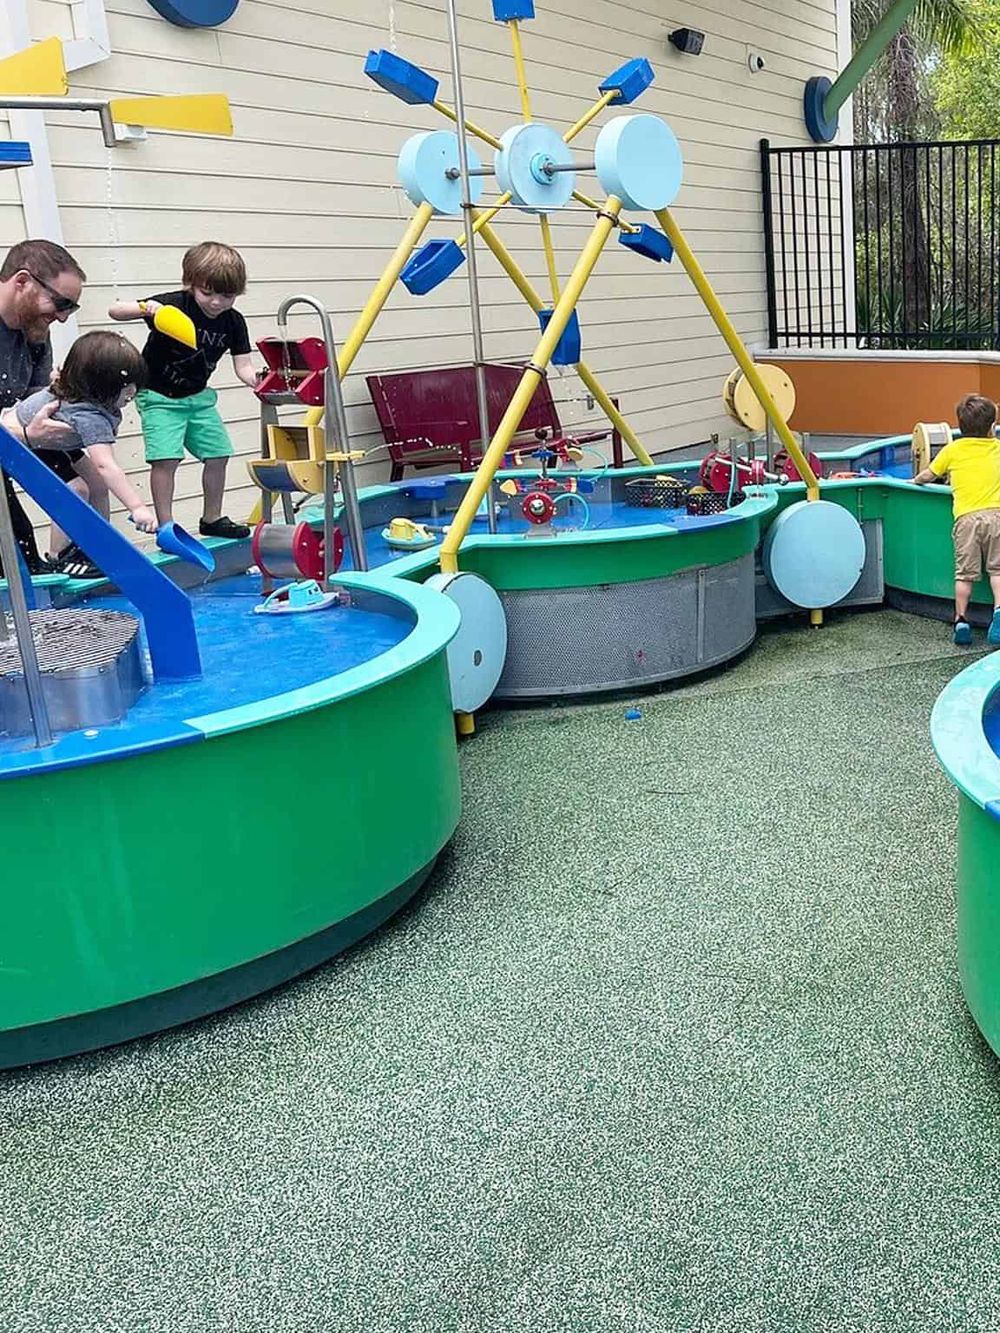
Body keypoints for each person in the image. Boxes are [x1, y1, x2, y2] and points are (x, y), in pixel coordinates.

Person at [108, 241, 257, 539]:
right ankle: (167, 526)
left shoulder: (233, 322)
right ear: (190, 284)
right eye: (208, 292)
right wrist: (146, 308)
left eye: (227, 295)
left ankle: (212, 518)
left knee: (218, 454)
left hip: (198, 397)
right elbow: (115, 310)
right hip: (158, 396)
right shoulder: (175, 306)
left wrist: (258, 381)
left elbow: (243, 366)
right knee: (166, 458)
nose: (216, 302)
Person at [1, 331, 158, 558]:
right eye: (126, 387)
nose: (132, 393)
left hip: (52, 438)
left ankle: (98, 543)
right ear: (100, 385)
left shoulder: (82, 395)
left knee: (96, 483)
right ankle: (58, 555)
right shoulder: (88, 415)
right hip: (20, 443)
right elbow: (106, 465)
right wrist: (137, 508)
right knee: (76, 489)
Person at [0, 238, 87, 573]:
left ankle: (67, 562)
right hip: (11, 434)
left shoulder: (34, 332)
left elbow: (36, 397)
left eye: (71, 308)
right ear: (22, 281)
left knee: (83, 481)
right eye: (61, 302)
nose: (63, 318)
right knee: (15, 549)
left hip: (13, 433)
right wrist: (24, 432)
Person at [913, 392, 1000, 646]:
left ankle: (961, 619)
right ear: (992, 427)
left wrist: (914, 480)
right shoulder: (998, 448)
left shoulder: (953, 449)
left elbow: (928, 474)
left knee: (964, 575)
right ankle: (998, 611)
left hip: (966, 520)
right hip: (997, 516)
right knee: (998, 570)